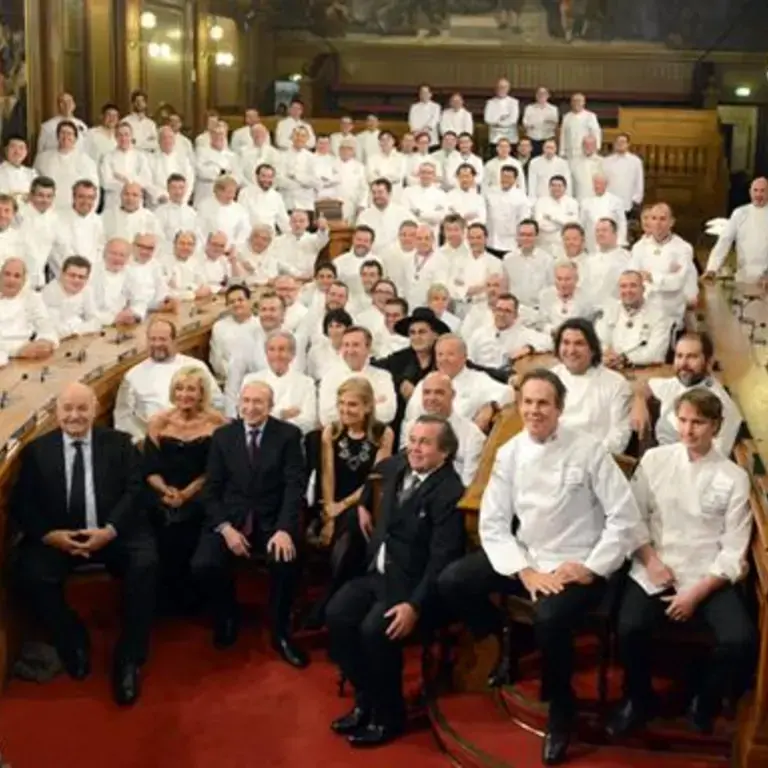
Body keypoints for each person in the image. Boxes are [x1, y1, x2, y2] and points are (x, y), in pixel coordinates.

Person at [438, 369, 640, 765]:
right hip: (530, 559)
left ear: (560, 408)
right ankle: (500, 639)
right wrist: (524, 571)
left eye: (543, 403)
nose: (534, 410)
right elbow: (493, 523)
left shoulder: (589, 450)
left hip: (578, 564)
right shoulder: (510, 452)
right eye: (527, 402)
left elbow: (624, 518)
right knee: (453, 581)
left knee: (550, 618)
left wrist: (590, 567)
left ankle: (561, 708)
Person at [606, 389, 754, 738]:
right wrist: (650, 560)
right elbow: (633, 518)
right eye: (683, 420)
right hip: (655, 565)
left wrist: (696, 593)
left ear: (716, 426)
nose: (687, 430)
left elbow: (733, 550)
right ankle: (638, 698)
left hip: (707, 574)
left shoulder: (734, 477)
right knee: (629, 628)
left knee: (740, 639)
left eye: (698, 422)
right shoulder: (655, 459)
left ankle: (704, 699)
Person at [11, 383, 157, 705]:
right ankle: (71, 639)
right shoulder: (37, 451)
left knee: (145, 563)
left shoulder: (120, 444)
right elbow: (24, 504)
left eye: (82, 408)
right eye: (68, 409)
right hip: (60, 536)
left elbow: (136, 492)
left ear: (95, 409)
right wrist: (50, 536)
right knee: (30, 571)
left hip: (112, 532)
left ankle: (129, 656)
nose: (74, 416)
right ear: (56, 412)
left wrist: (110, 530)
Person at [326, 415, 465, 747]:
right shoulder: (401, 465)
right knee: (337, 615)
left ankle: (388, 717)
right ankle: (366, 700)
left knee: (375, 631)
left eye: (425, 442)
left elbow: (442, 560)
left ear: (445, 452)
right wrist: (363, 503)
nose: (415, 448)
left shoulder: (449, 492)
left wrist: (415, 606)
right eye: (412, 440)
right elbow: (377, 471)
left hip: (412, 587)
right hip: (378, 574)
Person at [191, 381, 309, 668]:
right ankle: (227, 616)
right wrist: (225, 529)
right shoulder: (223, 436)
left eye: (258, 402)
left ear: (270, 406)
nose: (251, 408)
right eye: (246, 401)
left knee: (285, 561)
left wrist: (284, 529)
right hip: (230, 519)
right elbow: (211, 489)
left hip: (272, 520)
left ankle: (280, 631)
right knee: (203, 564)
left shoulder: (288, 435)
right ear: (238, 404)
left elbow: (295, 486)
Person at [142, 367, 226, 613]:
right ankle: (166, 599)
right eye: (179, 388)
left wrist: (187, 494)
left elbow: (215, 470)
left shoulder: (218, 424)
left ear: (202, 393)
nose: (184, 394)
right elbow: (149, 468)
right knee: (163, 517)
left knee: (186, 518)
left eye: (191, 389)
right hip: (164, 491)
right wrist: (166, 490)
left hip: (203, 490)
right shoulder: (159, 422)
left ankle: (195, 599)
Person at [631, 331, 743, 457]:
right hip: (659, 457)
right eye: (679, 356)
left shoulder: (722, 405)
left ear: (709, 362)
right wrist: (639, 401)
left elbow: (713, 459)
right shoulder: (678, 383)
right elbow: (646, 385)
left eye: (692, 357)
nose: (683, 363)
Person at [114, 318, 224, 442]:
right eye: (152, 339)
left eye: (162, 339)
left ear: (174, 340)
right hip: (155, 440)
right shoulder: (133, 375)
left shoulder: (196, 366)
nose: (157, 344)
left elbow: (218, 404)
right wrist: (140, 441)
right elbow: (123, 417)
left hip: (198, 437)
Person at [550, 318, 632, 455]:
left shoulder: (616, 383)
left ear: (593, 349)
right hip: (551, 454)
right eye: (566, 342)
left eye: (579, 343)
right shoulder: (549, 378)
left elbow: (619, 437)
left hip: (595, 459)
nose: (571, 350)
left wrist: (584, 456)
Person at [704, 176, 768, 283]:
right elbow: (724, 241)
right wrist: (712, 269)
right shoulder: (740, 213)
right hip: (744, 276)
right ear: (750, 192)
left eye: (762, 191)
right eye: (755, 190)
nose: (758, 194)